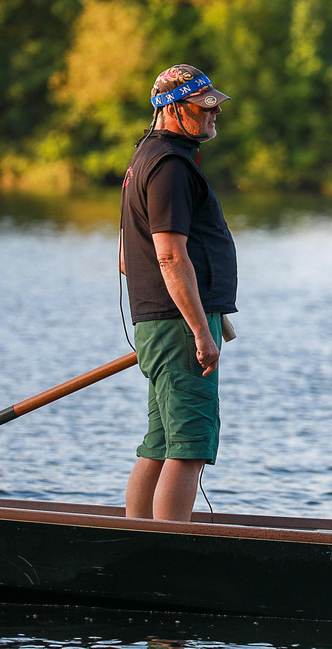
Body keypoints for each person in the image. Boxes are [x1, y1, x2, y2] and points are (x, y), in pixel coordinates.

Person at [118, 64, 237, 522]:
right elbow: (167, 256)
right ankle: (166, 551)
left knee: (161, 441)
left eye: (215, 106)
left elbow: (131, 258)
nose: (212, 116)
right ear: (172, 109)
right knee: (188, 444)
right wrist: (199, 332)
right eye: (202, 107)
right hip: (179, 324)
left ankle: (138, 538)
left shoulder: (146, 158)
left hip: (161, 322)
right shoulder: (170, 167)